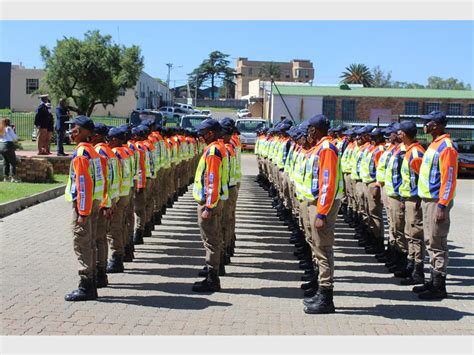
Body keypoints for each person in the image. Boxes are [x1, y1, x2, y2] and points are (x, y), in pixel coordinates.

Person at [414, 111, 458, 300]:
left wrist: (442, 204)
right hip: (427, 200)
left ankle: (439, 286)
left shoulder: (446, 147)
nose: (424, 125)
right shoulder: (434, 144)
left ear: (437, 125)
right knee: (430, 241)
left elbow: (448, 178)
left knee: (437, 242)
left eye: (427, 122)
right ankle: (432, 282)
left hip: (436, 202)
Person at [301, 115, 342, 314]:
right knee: (317, 247)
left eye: (309, 128)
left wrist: (322, 213)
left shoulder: (326, 149)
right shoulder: (319, 148)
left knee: (323, 249)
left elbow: (328, 183)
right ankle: (321, 290)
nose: (307, 132)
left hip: (321, 205)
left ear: (315, 129)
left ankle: (327, 297)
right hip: (315, 203)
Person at [64, 116, 104, 302]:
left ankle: (86, 284)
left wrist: (82, 212)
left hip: (85, 205)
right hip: (94, 202)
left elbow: (83, 184)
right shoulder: (93, 152)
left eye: (74, 128)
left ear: (82, 131)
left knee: (81, 242)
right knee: (91, 242)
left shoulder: (81, 154)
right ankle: (92, 280)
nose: (71, 131)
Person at [192, 118, 227, 292]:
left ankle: (212, 279)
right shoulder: (217, 148)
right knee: (213, 240)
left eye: (203, 133)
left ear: (211, 133)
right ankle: (212, 273)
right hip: (212, 201)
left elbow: (212, 180)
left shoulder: (213, 151)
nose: (200, 137)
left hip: (209, 203)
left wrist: (209, 206)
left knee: (211, 242)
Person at [394, 121, 426, 285]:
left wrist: (419, 199)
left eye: (399, 133)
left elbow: (422, 178)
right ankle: (411, 264)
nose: (397, 135)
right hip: (408, 198)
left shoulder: (415, 153)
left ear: (404, 134)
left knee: (415, 235)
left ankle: (418, 270)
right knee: (409, 233)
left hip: (415, 200)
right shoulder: (409, 152)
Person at [0, 117, 20, 182]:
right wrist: (14, 132)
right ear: (8, 122)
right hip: (8, 145)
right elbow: (15, 138)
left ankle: (5, 178)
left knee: (6, 162)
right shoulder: (9, 128)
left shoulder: (1, 128)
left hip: (1, 145)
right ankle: (13, 178)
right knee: (12, 162)